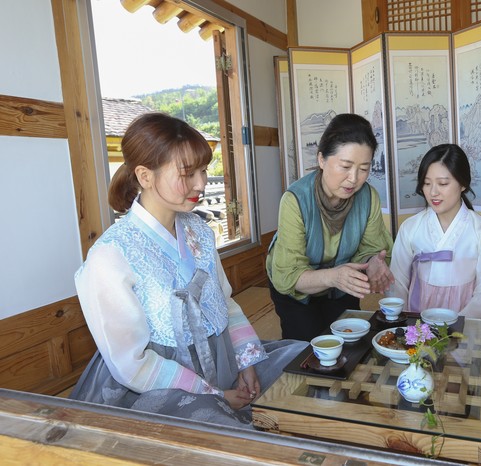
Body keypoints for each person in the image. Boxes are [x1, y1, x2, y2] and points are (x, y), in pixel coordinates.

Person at [70, 113, 306, 428]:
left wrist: (246, 362)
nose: (201, 183)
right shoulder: (110, 255)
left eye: (204, 170)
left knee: (305, 360)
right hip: (157, 384)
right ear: (145, 176)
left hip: (221, 357)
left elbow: (223, 303)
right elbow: (131, 363)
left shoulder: (199, 230)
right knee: (227, 432)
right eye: (188, 173)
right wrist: (216, 395)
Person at [388, 143, 481, 401]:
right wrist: (402, 319)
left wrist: (456, 323)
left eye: (443, 183)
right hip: (420, 309)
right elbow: (399, 280)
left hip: (470, 310)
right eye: (427, 183)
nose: (433, 192)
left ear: (463, 184)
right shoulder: (411, 228)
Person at [267, 113, 394, 341]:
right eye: (345, 166)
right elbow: (290, 275)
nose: (353, 178)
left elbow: (371, 247)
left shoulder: (368, 197)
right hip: (297, 288)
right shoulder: (295, 200)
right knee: (306, 347)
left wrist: (373, 261)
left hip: (341, 285)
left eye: (364, 168)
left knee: (350, 342)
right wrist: (333, 277)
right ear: (322, 160)